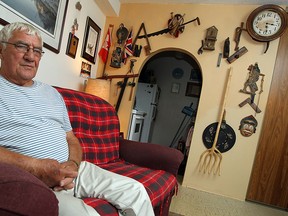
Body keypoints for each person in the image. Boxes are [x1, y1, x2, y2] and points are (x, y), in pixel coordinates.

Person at [0, 22, 154, 216]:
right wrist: (37, 168)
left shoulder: (52, 93)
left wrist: (73, 164)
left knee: (136, 192)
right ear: (1, 49)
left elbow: (71, 138)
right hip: (31, 179)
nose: (31, 56)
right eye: (21, 46)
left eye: (37, 50)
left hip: (74, 170)